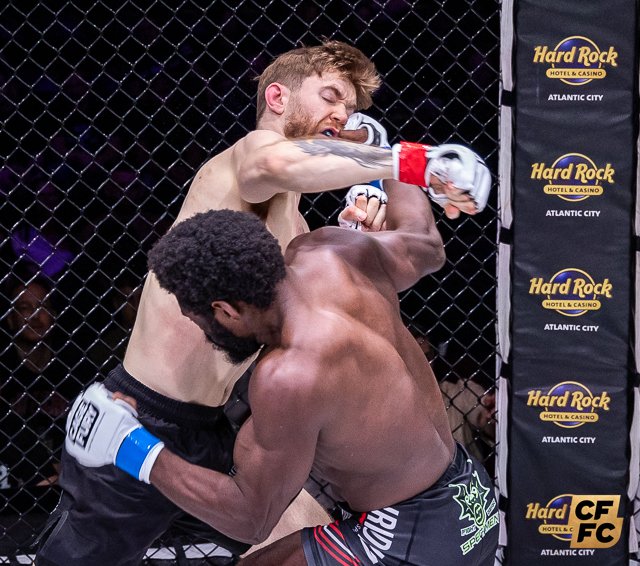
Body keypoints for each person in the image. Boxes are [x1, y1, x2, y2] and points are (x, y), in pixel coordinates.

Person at [37, 40, 489, 566]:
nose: (341, 115)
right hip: (144, 411)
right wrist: (408, 162)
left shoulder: (294, 225)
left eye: (350, 109)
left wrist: (364, 220)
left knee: (307, 531)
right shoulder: (246, 159)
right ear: (277, 96)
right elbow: (278, 161)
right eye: (330, 96)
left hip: (219, 424)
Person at [65, 177, 498, 565]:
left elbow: (250, 518)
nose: (206, 334)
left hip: (410, 540)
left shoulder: (289, 374)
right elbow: (426, 244)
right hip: (472, 498)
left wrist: (127, 445)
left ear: (226, 310)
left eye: (200, 320)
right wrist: (404, 162)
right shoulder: (332, 249)